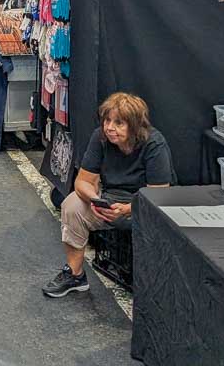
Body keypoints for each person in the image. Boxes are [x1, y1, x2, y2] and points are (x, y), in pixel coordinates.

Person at [43, 92, 173, 298]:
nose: (110, 127)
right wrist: (95, 201)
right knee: (72, 205)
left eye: (119, 123)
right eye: (107, 121)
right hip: (109, 199)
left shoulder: (154, 145)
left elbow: (159, 195)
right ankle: (75, 275)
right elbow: (83, 181)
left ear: (135, 126)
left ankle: (150, 282)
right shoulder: (100, 138)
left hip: (144, 204)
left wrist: (129, 209)